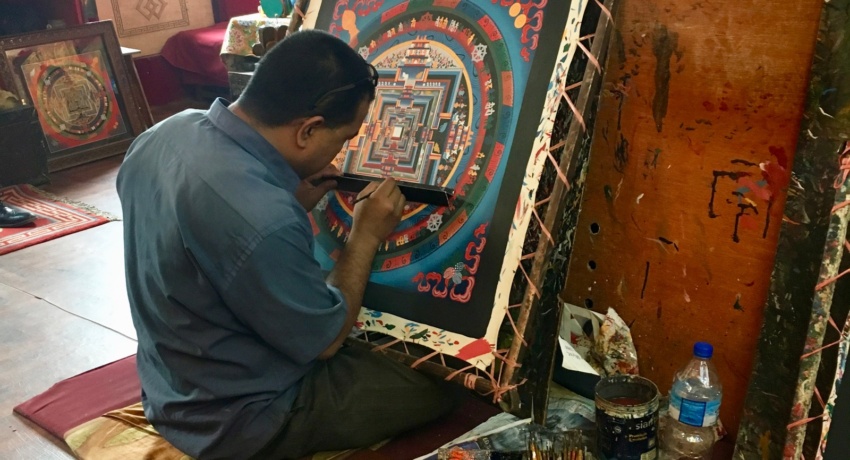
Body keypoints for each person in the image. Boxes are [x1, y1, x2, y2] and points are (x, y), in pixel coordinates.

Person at [117, 30, 458, 459]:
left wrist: (284, 196)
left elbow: (204, 243)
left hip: (171, 387)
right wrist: (365, 235)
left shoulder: (162, 135)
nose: (344, 150)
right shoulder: (265, 219)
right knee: (437, 384)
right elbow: (326, 342)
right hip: (240, 417)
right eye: (345, 138)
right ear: (308, 130)